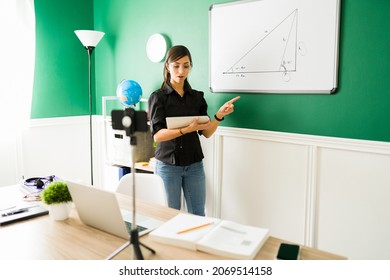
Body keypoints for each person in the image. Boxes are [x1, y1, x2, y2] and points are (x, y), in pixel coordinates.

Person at [148, 45, 240, 216]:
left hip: (194, 164)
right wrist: (186, 129)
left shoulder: (197, 97)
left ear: (190, 66)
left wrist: (219, 115)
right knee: (170, 215)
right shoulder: (158, 97)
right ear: (167, 66)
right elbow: (158, 135)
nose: (181, 70)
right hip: (168, 165)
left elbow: (205, 132)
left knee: (198, 215)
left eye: (186, 65)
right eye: (176, 66)